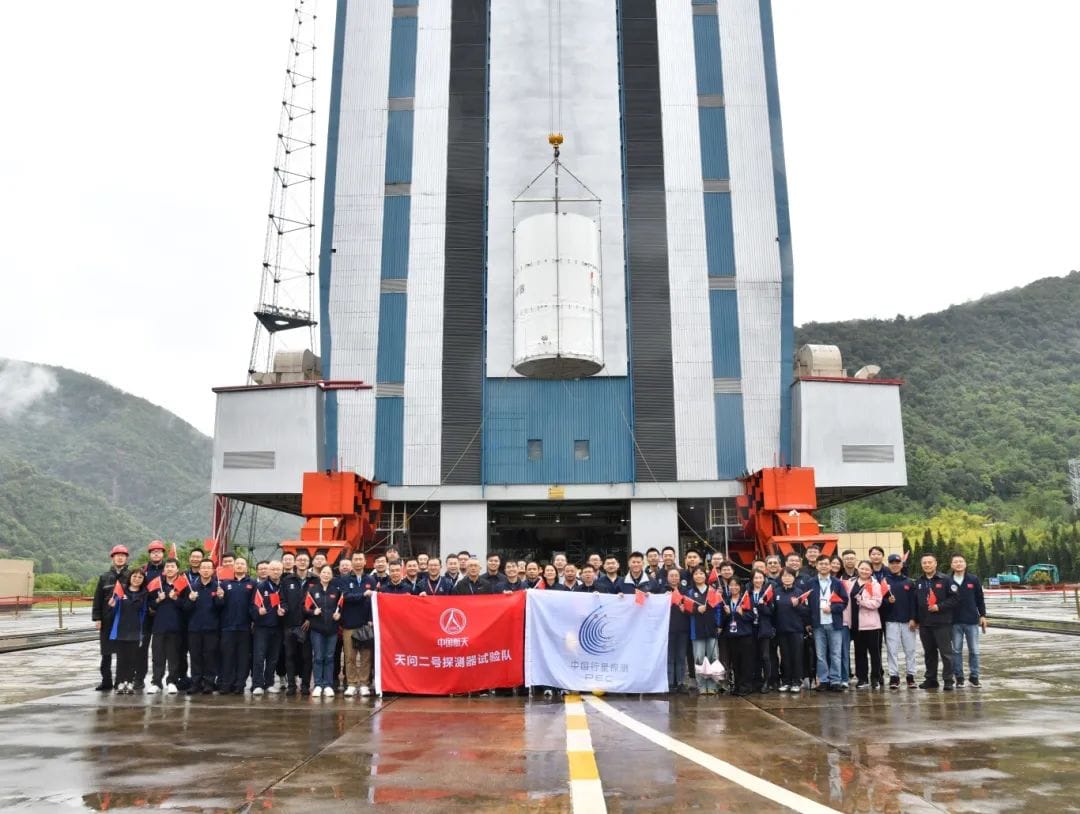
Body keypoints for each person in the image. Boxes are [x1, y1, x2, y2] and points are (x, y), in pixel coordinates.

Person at [913, 553, 960, 691]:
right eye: (924, 563)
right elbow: (916, 603)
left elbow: (955, 599)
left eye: (930, 562)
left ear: (935, 563)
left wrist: (939, 606)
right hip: (925, 624)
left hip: (942, 623)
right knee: (929, 653)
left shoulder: (946, 580)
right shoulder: (919, 581)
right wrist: (915, 619)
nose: (927, 565)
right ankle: (931, 679)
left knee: (946, 653)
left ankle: (948, 680)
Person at [91, 544, 131, 692]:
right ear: (113, 558)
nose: (120, 557)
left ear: (126, 558)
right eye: (117, 555)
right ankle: (106, 681)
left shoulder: (131, 576)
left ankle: (121, 681)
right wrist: (97, 618)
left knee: (124, 653)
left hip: (125, 620)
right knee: (106, 653)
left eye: (123, 555)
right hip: (107, 620)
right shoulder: (104, 577)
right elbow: (98, 599)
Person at [809, 555, 849, 692]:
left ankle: (836, 680)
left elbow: (844, 601)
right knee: (820, 654)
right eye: (821, 564)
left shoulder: (837, 583)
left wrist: (832, 608)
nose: (824, 566)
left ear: (830, 566)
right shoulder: (811, 582)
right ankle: (823, 680)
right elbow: (806, 603)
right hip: (818, 624)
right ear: (816, 566)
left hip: (834, 623)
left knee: (836, 653)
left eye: (826, 564)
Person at [185, 560, 225, 695]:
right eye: (204, 568)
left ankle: (208, 683)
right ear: (199, 570)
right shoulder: (192, 587)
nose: (206, 570)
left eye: (209, 567)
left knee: (210, 656)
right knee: (195, 656)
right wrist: (190, 600)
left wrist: (220, 598)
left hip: (212, 628)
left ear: (213, 570)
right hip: (194, 628)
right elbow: (185, 608)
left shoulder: (218, 587)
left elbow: (221, 608)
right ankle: (195, 683)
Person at [108, 569, 150, 694]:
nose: (137, 579)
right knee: (121, 659)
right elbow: (114, 611)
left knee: (133, 659)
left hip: (135, 630)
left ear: (143, 580)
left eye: (140, 577)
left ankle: (130, 682)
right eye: (135, 576)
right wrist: (112, 605)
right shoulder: (121, 591)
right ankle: (120, 682)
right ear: (130, 577)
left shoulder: (144, 594)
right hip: (121, 629)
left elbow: (144, 612)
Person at [148, 558, 186, 694]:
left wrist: (176, 599)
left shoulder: (183, 585)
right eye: (167, 566)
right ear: (164, 570)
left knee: (173, 656)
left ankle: (172, 681)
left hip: (176, 626)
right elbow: (150, 605)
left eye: (172, 566)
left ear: (177, 569)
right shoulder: (158, 584)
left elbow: (187, 605)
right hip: (159, 626)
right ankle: (156, 682)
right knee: (158, 656)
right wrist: (158, 599)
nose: (169, 569)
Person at [341, 552, 377, 697]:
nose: (357, 562)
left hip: (365, 624)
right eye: (355, 559)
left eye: (360, 559)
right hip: (349, 623)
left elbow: (374, 602)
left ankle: (364, 683)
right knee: (349, 656)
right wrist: (362, 595)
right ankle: (351, 683)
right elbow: (346, 597)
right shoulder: (344, 580)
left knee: (366, 656)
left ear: (364, 562)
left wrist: (370, 619)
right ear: (351, 562)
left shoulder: (371, 580)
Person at [218, 557, 255, 695]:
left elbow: (254, 604)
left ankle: (240, 684)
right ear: (233, 567)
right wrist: (220, 597)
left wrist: (253, 620)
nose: (239, 566)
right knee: (227, 656)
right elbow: (218, 605)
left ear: (246, 567)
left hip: (245, 627)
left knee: (243, 657)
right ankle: (226, 684)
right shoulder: (224, 583)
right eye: (237, 564)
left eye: (242, 564)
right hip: (228, 626)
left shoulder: (252, 583)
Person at [950, 553, 987, 687]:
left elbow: (980, 599)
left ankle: (974, 676)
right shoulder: (947, 580)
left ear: (965, 564)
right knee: (956, 651)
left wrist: (982, 615)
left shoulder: (973, 579)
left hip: (971, 621)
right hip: (954, 622)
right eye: (955, 562)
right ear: (951, 565)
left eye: (961, 561)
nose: (958, 564)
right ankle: (959, 678)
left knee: (974, 650)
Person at [305, 565, 342, 698]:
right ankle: (318, 685)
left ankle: (328, 685)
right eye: (324, 572)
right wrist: (312, 612)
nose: (326, 575)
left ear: (332, 576)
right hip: (317, 630)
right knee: (318, 657)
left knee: (329, 657)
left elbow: (340, 607)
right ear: (320, 575)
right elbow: (304, 608)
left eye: (329, 573)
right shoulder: (312, 590)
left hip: (332, 629)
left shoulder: (336, 591)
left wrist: (339, 615)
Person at [882, 553, 918, 689]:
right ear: (889, 564)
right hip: (891, 621)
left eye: (897, 562)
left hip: (907, 622)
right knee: (892, 650)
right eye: (892, 563)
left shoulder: (909, 582)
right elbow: (880, 601)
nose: (895, 565)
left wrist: (914, 619)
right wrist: (887, 601)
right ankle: (894, 677)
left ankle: (910, 676)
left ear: (901, 565)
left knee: (910, 650)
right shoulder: (884, 582)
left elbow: (914, 603)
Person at [251, 560, 286, 696]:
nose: (276, 572)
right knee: (259, 657)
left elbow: (287, 603)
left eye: (278, 569)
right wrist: (257, 611)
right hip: (262, 627)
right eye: (273, 569)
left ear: (282, 571)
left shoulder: (284, 586)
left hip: (278, 627)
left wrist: (284, 610)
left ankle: (269, 683)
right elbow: (252, 606)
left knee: (273, 657)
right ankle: (257, 684)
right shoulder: (261, 587)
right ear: (268, 571)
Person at [280, 560, 313, 695]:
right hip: (290, 624)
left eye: (305, 560)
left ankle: (305, 685)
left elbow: (318, 602)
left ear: (308, 563)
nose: (302, 562)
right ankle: (291, 686)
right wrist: (283, 609)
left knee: (306, 657)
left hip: (307, 625)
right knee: (290, 656)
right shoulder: (287, 580)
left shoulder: (315, 580)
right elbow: (282, 600)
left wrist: (310, 619)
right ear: (295, 563)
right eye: (300, 560)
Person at [774, 569, 809, 692]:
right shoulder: (776, 592)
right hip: (781, 630)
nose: (787, 578)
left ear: (794, 578)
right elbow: (773, 611)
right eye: (784, 576)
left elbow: (806, 611)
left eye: (790, 576)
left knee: (797, 656)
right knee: (785, 657)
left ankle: (796, 681)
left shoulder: (799, 592)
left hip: (796, 630)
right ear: (781, 578)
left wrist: (797, 605)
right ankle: (786, 681)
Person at [685, 567, 719, 694]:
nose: (699, 576)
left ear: (706, 576)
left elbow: (718, 609)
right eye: (696, 574)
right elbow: (687, 610)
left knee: (713, 657)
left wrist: (718, 624)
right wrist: (696, 610)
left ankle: (712, 686)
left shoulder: (713, 591)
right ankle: (701, 685)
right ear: (693, 576)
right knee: (699, 658)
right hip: (696, 630)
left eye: (701, 573)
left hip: (711, 629)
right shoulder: (689, 592)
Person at [851, 561, 883, 689]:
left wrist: (862, 602)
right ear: (858, 569)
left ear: (871, 571)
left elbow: (877, 603)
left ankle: (875, 677)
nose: (864, 571)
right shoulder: (851, 582)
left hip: (871, 624)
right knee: (859, 652)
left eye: (867, 569)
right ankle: (862, 678)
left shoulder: (874, 585)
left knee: (874, 652)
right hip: (856, 624)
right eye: (862, 568)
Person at [723, 579, 756, 696]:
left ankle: (746, 686)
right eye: (731, 585)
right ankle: (737, 685)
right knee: (735, 662)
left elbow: (753, 616)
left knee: (746, 662)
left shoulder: (746, 599)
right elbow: (722, 621)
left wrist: (742, 613)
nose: (733, 587)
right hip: (731, 636)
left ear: (740, 587)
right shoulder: (726, 601)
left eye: (736, 585)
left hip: (745, 635)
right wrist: (726, 614)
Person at [748, 570, 776, 693]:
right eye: (755, 578)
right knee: (754, 655)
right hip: (751, 628)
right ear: (752, 580)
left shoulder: (768, 593)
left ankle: (767, 681)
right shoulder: (747, 593)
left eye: (760, 578)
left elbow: (772, 612)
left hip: (764, 628)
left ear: (764, 579)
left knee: (765, 655)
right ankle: (757, 680)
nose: (758, 580)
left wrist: (762, 605)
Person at [665, 568, 690, 693]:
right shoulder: (662, 591)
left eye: (676, 575)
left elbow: (691, 609)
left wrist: (684, 609)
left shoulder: (685, 591)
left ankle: (680, 682)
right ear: (667, 577)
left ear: (679, 578)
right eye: (671, 576)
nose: (674, 578)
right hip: (667, 630)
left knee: (681, 657)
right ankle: (669, 683)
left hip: (683, 629)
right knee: (670, 658)